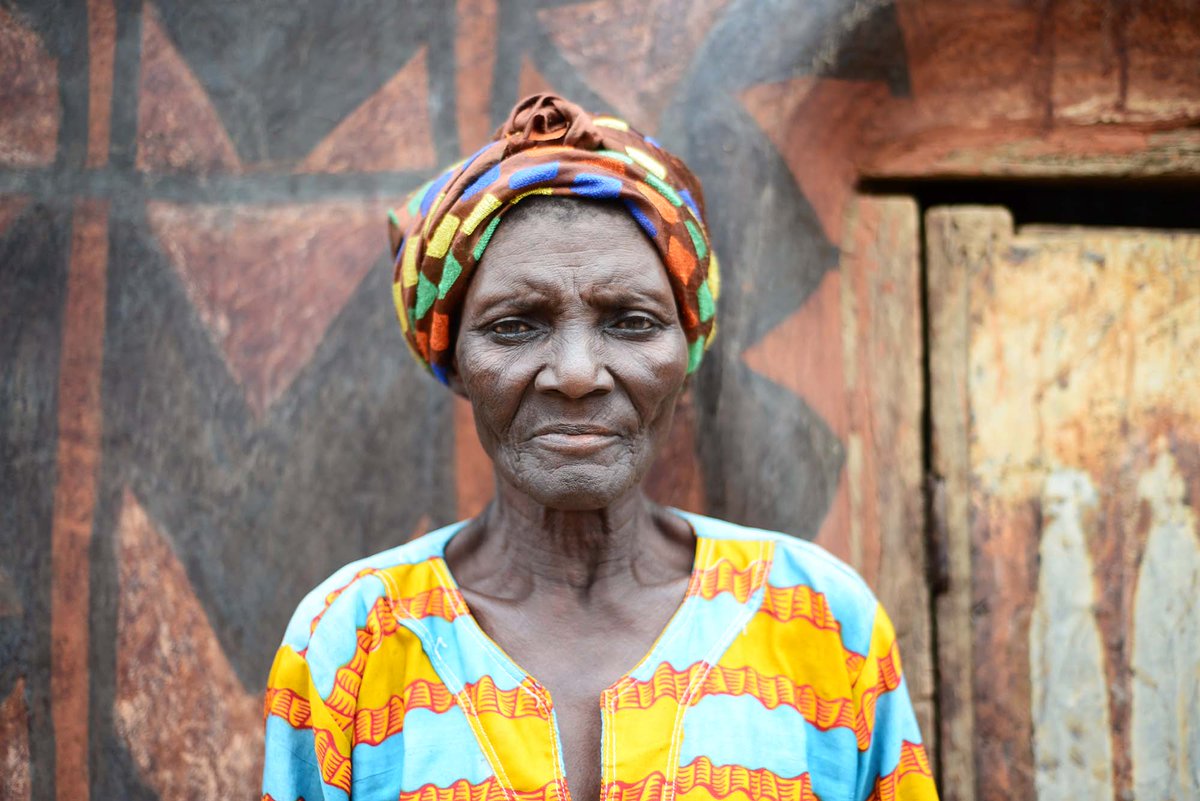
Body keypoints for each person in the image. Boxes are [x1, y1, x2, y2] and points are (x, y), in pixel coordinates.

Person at [261, 94, 938, 801]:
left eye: (632, 321)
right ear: (453, 358)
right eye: (517, 325)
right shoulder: (351, 642)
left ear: (686, 349)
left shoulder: (820, 621)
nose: (578, 374)